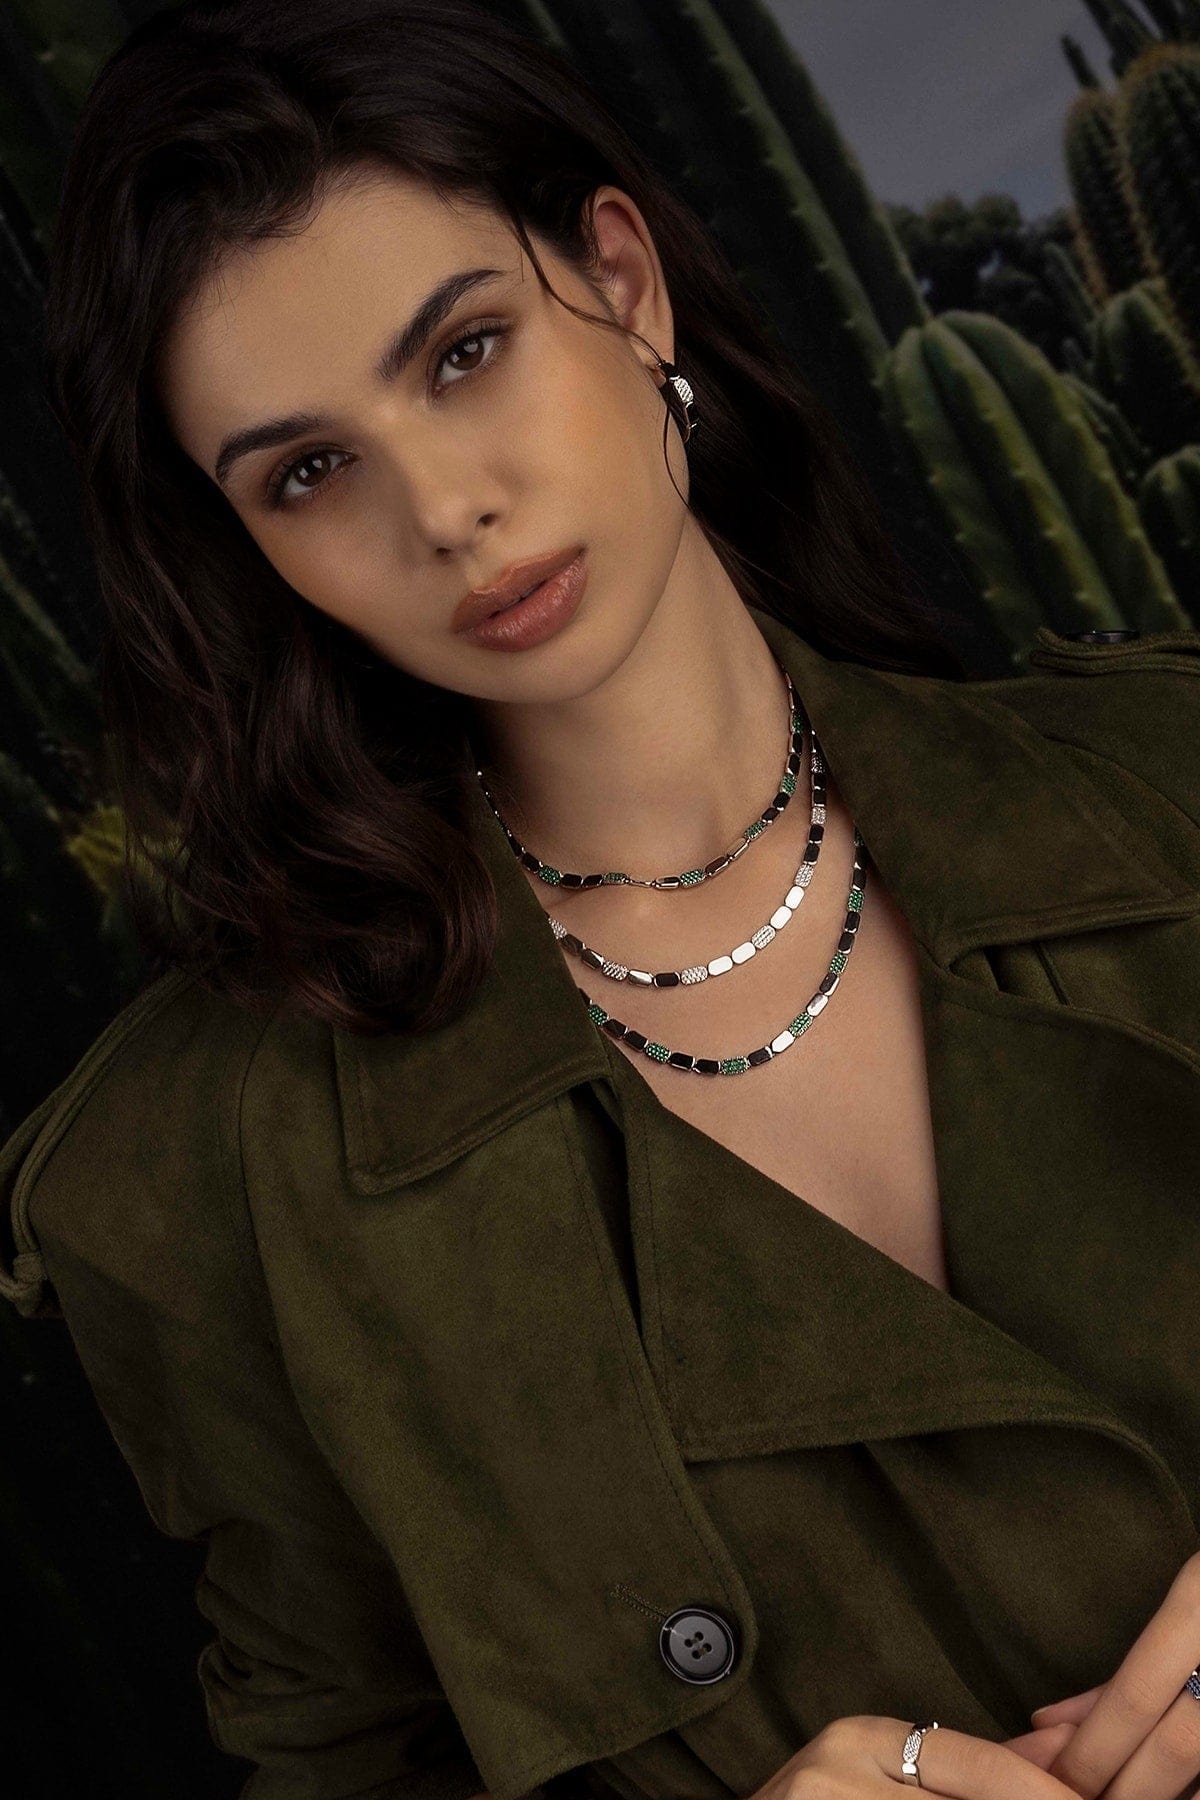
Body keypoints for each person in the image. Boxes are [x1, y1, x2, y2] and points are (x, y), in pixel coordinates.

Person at [3, 1, 1200, 1797]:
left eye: (466, 351)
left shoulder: (1175, 787)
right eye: (310, 471)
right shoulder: (206, 1186)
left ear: (623, 283)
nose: (446, 509)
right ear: (247, 545)